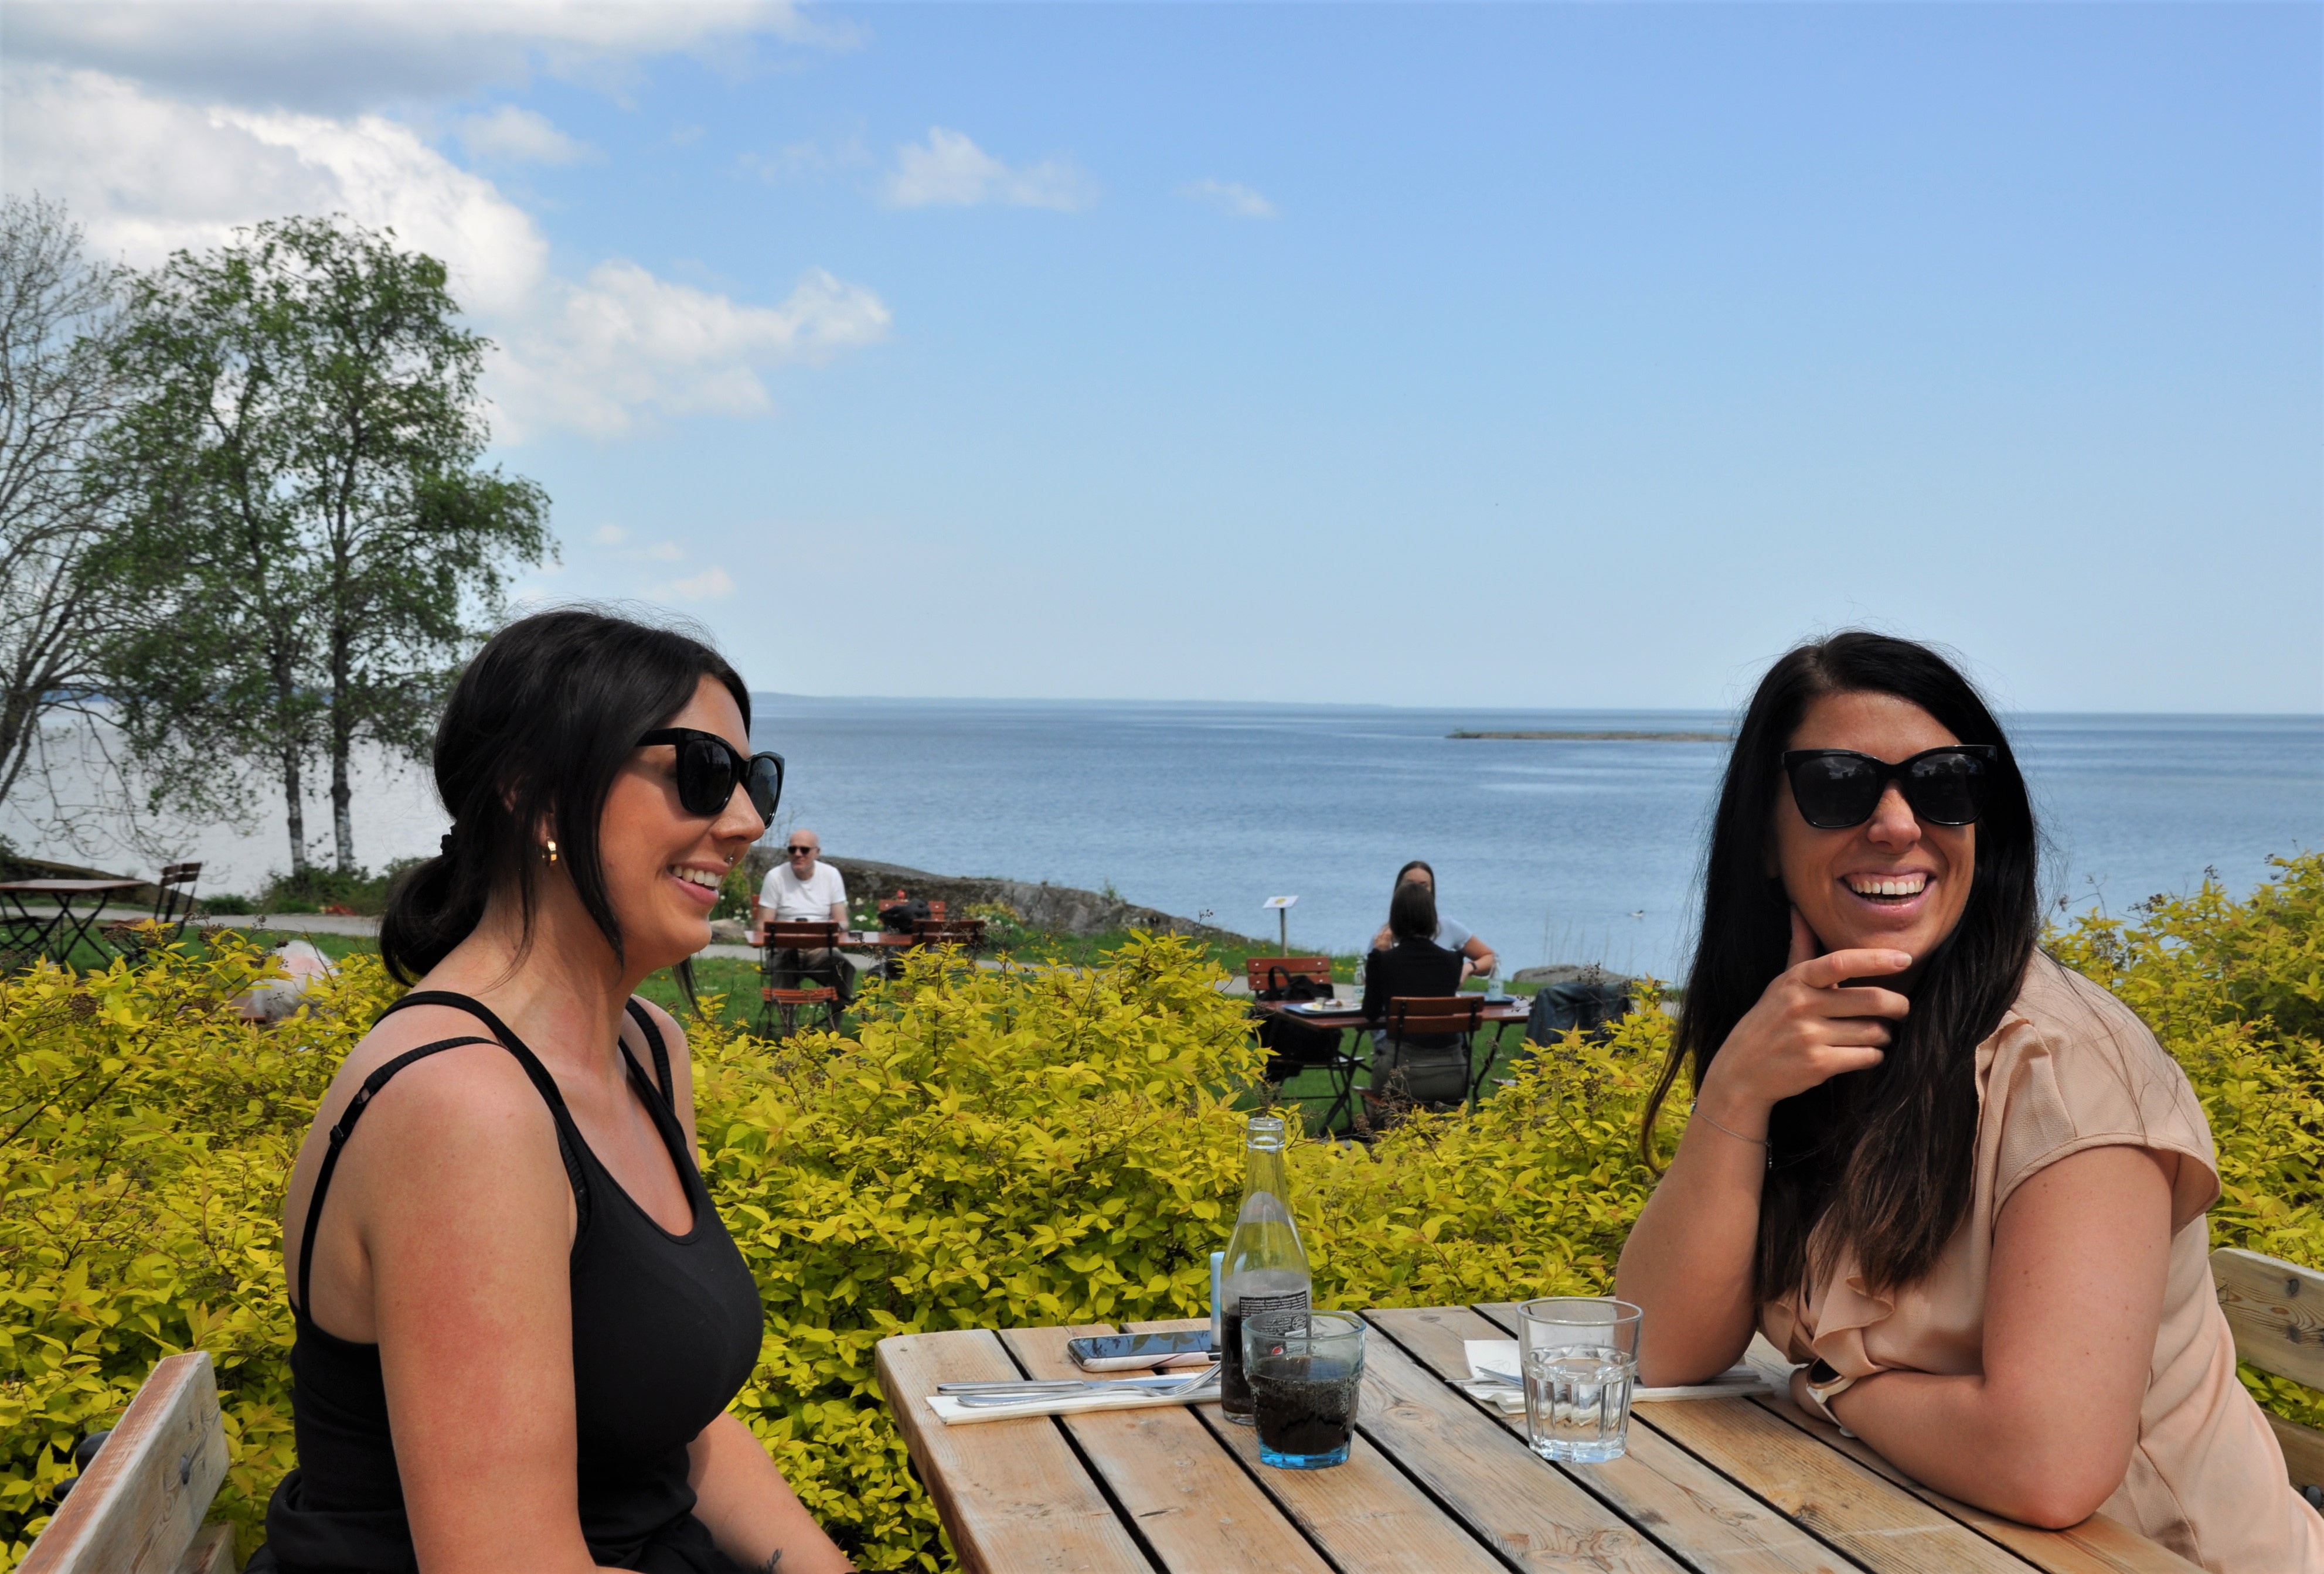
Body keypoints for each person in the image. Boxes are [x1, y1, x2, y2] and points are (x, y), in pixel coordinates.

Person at [1613, 631, 2322, 1572]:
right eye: (1838, 783)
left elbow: (2048, 1465)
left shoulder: (2064, 1068)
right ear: (1764, 842)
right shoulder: (1817, 1041)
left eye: (1943, 781)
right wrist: (1738, 1092)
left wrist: (1829, 1385)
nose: (1898, 822)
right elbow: (1655, 1350)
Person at [253, 609, 853, 1574]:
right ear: (536, 795)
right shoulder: (462, 1105)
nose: (745, 821)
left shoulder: (647, 1051)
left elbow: (682, 1434)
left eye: (757, 780)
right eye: (702, 771)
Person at [1357, 879, 1469, 1110]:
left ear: (1395, 920)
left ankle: (1379, 1125)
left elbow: (1369, 1014)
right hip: (1454, 1074)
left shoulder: (1383, 961)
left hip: (1402, 1077)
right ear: (1431, 919)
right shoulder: (1453, 960)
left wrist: (1379, 954)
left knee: (1379, 1062)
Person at [750, 829, 854, 1006]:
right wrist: (789, 936)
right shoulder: (775, 877)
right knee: (785, 966)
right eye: (793, 849)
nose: (798, 854)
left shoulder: (831, 875)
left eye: (804, 850)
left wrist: (832, 928)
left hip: (820, 951)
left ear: (817, 852)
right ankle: (788, 1031)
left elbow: (843, 921)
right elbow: (763, 926)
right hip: (784, 950)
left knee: (845, 968)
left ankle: (834, 1030)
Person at [1369, 860, 1497, 983]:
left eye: (1423, 886)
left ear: (1432, 891)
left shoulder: (1447, 927)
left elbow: (1491, 959)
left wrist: (1467, 968)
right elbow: (1368, 984)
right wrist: (1380, 954)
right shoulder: (1385, 934)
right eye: (1410, 885)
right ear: (1398, 890)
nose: (1416, 892)